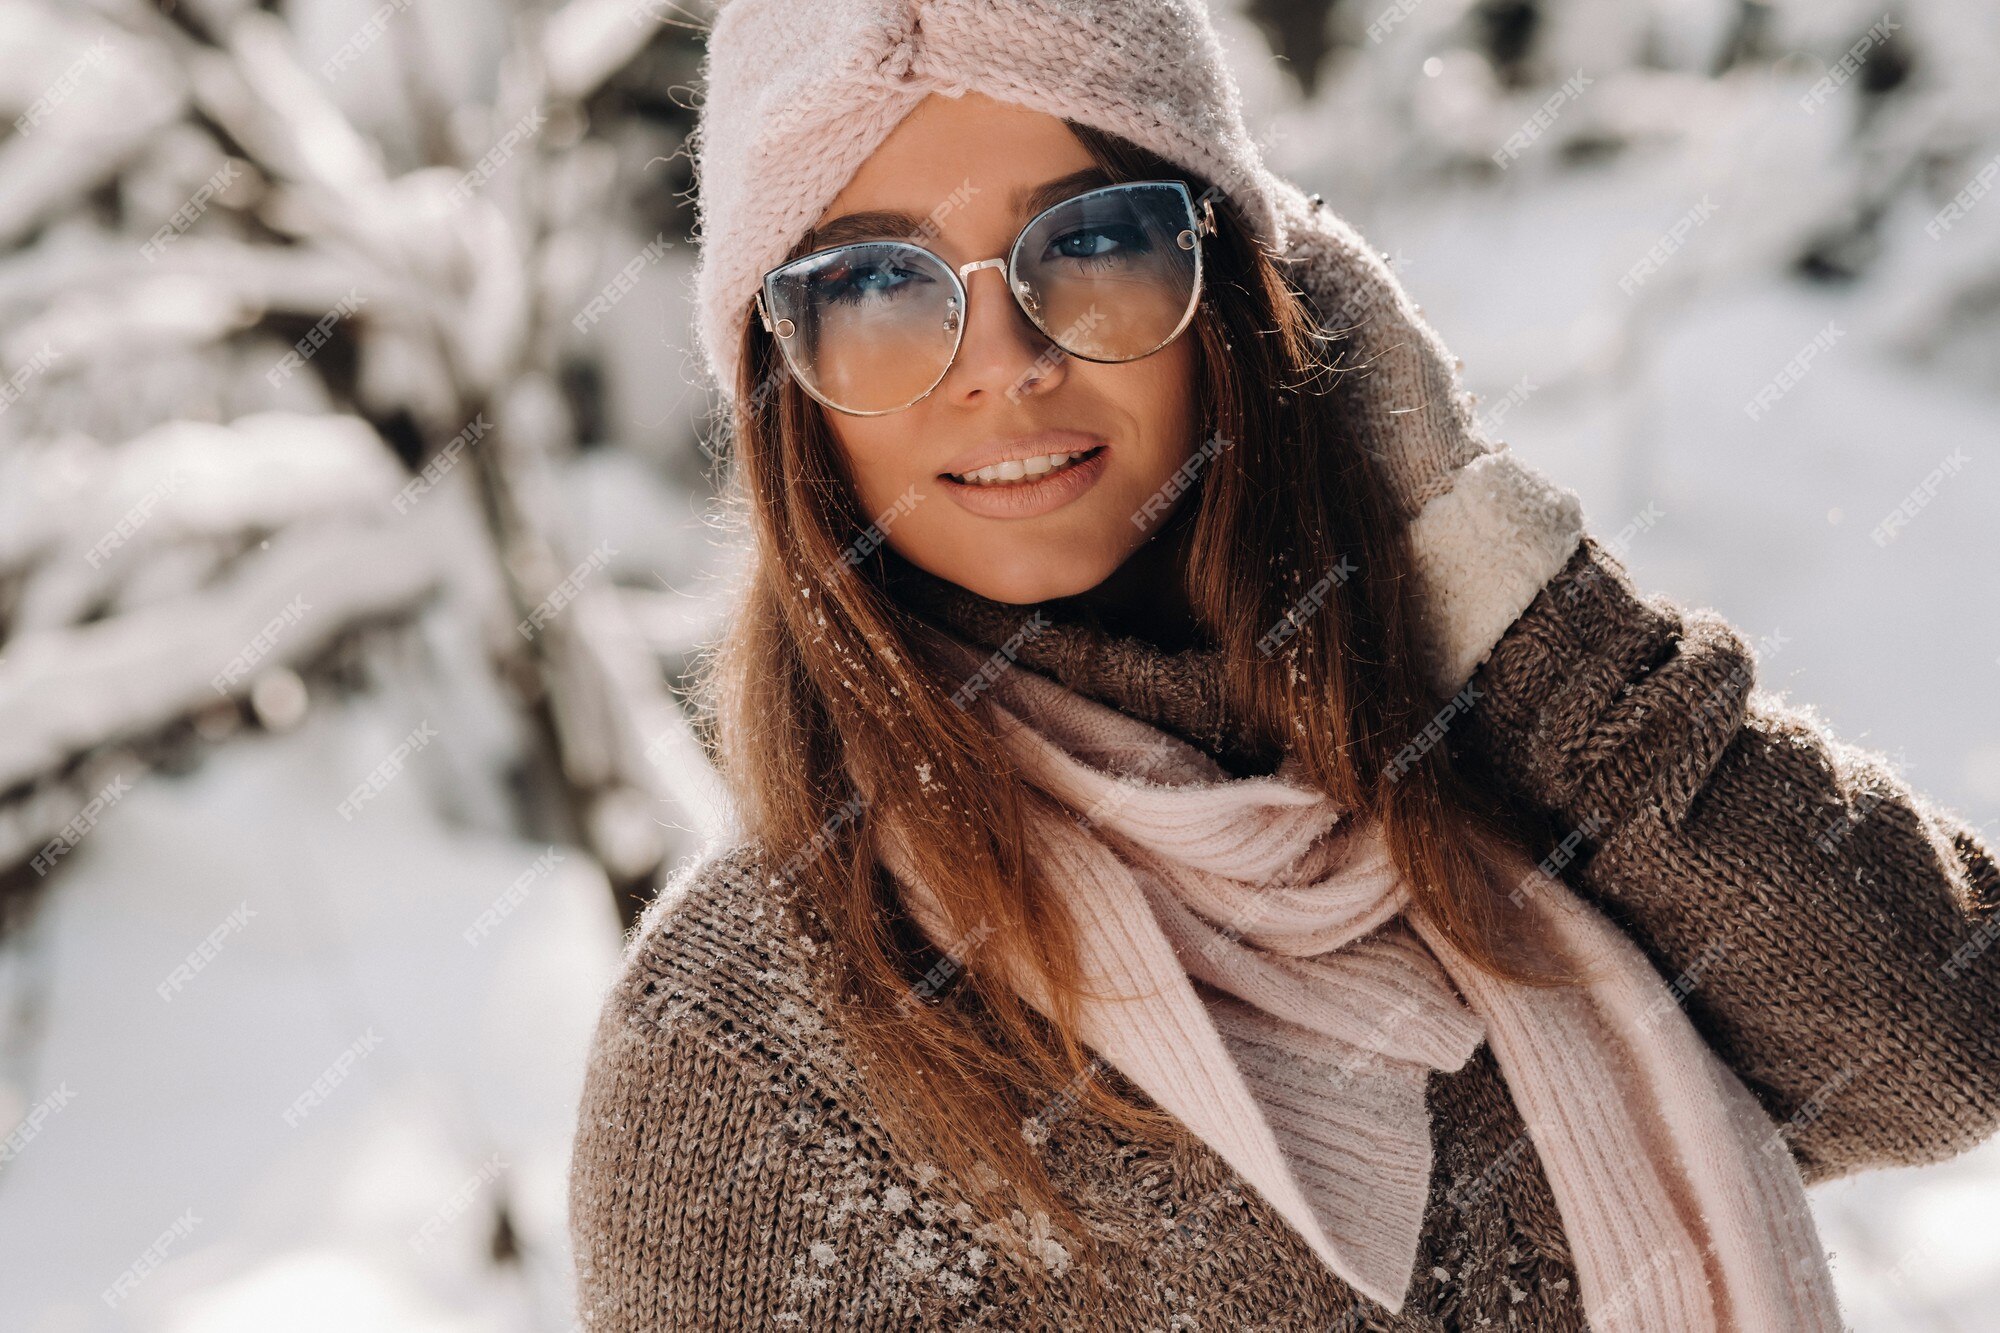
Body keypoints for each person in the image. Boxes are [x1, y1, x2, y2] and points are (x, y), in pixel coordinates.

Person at [567, 2, 2000, 1328]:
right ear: (781, 380)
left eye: (1092, 240)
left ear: (1233, 290)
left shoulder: (1486, 763)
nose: (1001, 360)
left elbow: (1939, 1031)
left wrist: (1476, 551)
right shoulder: (752, 1042)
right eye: (876, 278)